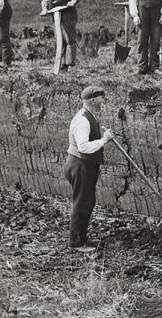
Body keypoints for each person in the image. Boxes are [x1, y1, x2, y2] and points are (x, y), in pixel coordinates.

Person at [63, 85, 114, 252]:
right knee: (82, 203)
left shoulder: (90, 115)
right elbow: (83, 147)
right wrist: (104, 140)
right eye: (101, 98)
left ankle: (81, 237)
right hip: (79, 165)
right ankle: (76, 243)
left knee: (87, 201)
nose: (103, 101)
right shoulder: (82, 120)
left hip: (84, 165)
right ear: (92, 101)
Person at [40, 0, 85, 71]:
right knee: (59, 37)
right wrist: (44, 8)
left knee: (69, 37)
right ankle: (61, 63)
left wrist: (73, 1)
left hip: (68, 12)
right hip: (56, 13)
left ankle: (69, 64)